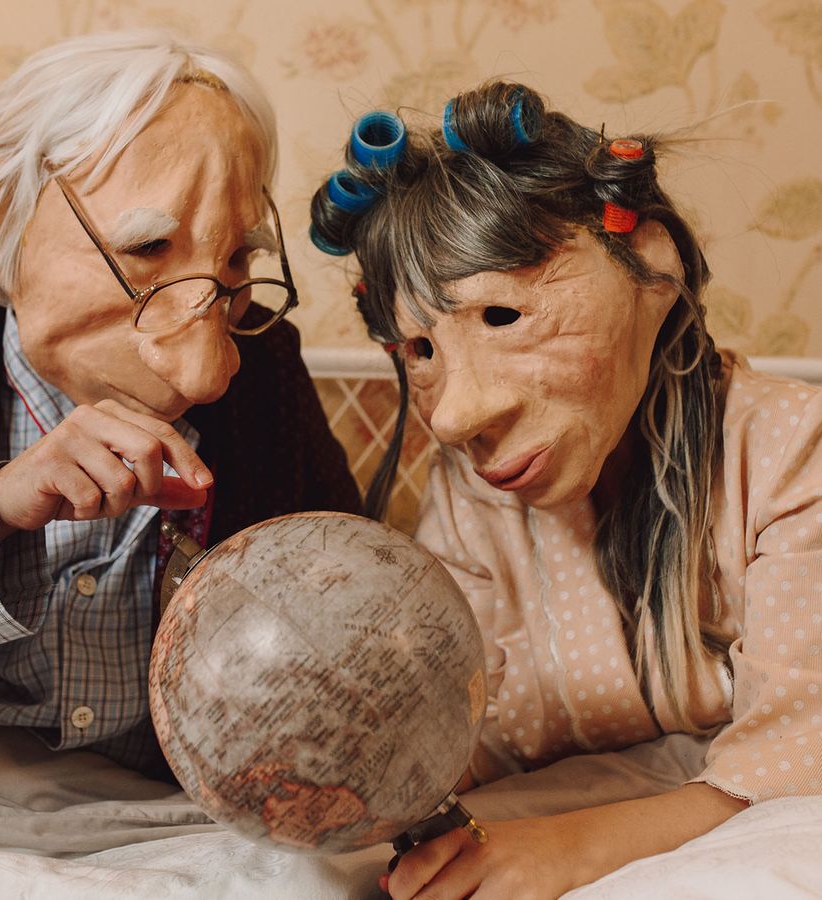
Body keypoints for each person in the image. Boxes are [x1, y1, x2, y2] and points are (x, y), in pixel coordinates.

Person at [310, 82, 821, 898]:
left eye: (502, 316)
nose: (454, 416)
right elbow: (461, 737)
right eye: (420, 350)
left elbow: (797, 754)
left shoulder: (793, 449)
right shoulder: (469, 503)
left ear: (650, 267)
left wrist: (572, 851)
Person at [0, 30, 360, 779]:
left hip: (175, 801)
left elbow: (343, 599)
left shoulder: (265, 370)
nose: (208, 376)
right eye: (149, 248)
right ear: (1, 220)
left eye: (236, 259)